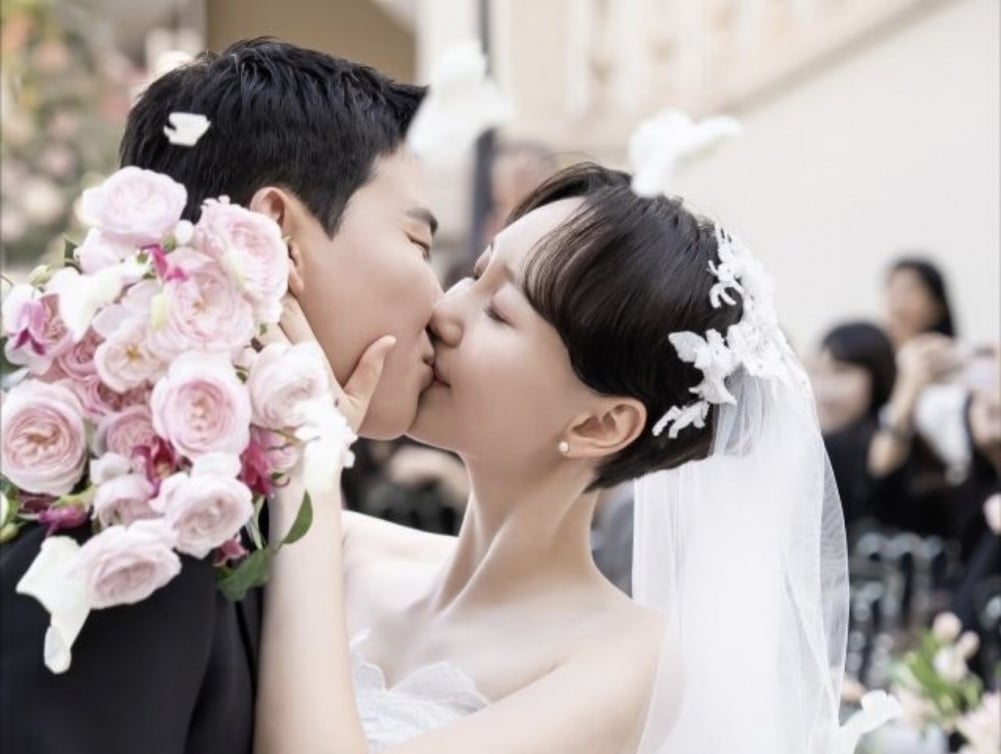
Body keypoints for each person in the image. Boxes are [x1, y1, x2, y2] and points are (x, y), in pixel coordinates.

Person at [255, 164, 849, 753]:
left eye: (498, 311)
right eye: (477, 273)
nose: (445, 310)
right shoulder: (346, 546)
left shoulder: (627, 661)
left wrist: (313, 472)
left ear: (599, 425)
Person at [0, 39, 442, 754]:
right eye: (419, 244)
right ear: (277, 234)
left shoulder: (255, 503)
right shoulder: (142, 528)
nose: (442, 301)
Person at [810, 321, 898, 527]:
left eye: (841, 371)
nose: (824, 388)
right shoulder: (811, 442)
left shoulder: (886, 443)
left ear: (877, 376)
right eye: (816, 371)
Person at [884, 257, 956, 349]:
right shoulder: (874, 351)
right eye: (893, 291)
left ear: (937, 306)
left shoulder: (953, 352)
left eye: (908, 291)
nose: (898, 302)